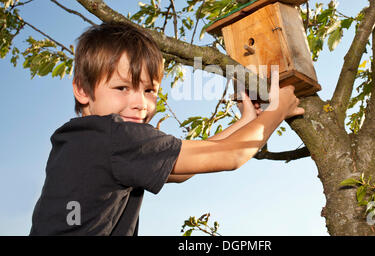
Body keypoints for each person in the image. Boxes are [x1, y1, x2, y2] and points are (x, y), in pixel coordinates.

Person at [30, 22, 304, 235]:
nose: (140, 103)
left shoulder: (85, 141)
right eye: (122, 88)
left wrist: (245, 121)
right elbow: (231, 156)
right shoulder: (113, 135)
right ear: (82, 89)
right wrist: (279, 109)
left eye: (149, 90)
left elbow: (185, 166)